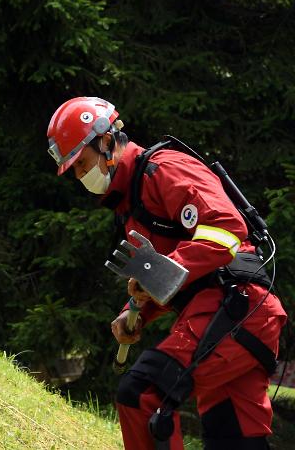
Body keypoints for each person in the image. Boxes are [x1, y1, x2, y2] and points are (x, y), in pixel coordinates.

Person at [47, 97, 287, 449]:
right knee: (233, 440)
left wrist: (160, 270)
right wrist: (137, 312)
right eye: (76, 172)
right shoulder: (131, 204)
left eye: (82, 163)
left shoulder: (164, 169)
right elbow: (173, 277)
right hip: (228, 315)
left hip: (237, 308)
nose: (83, 177)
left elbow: (226, 230)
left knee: (141, 393)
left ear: (107, 141)